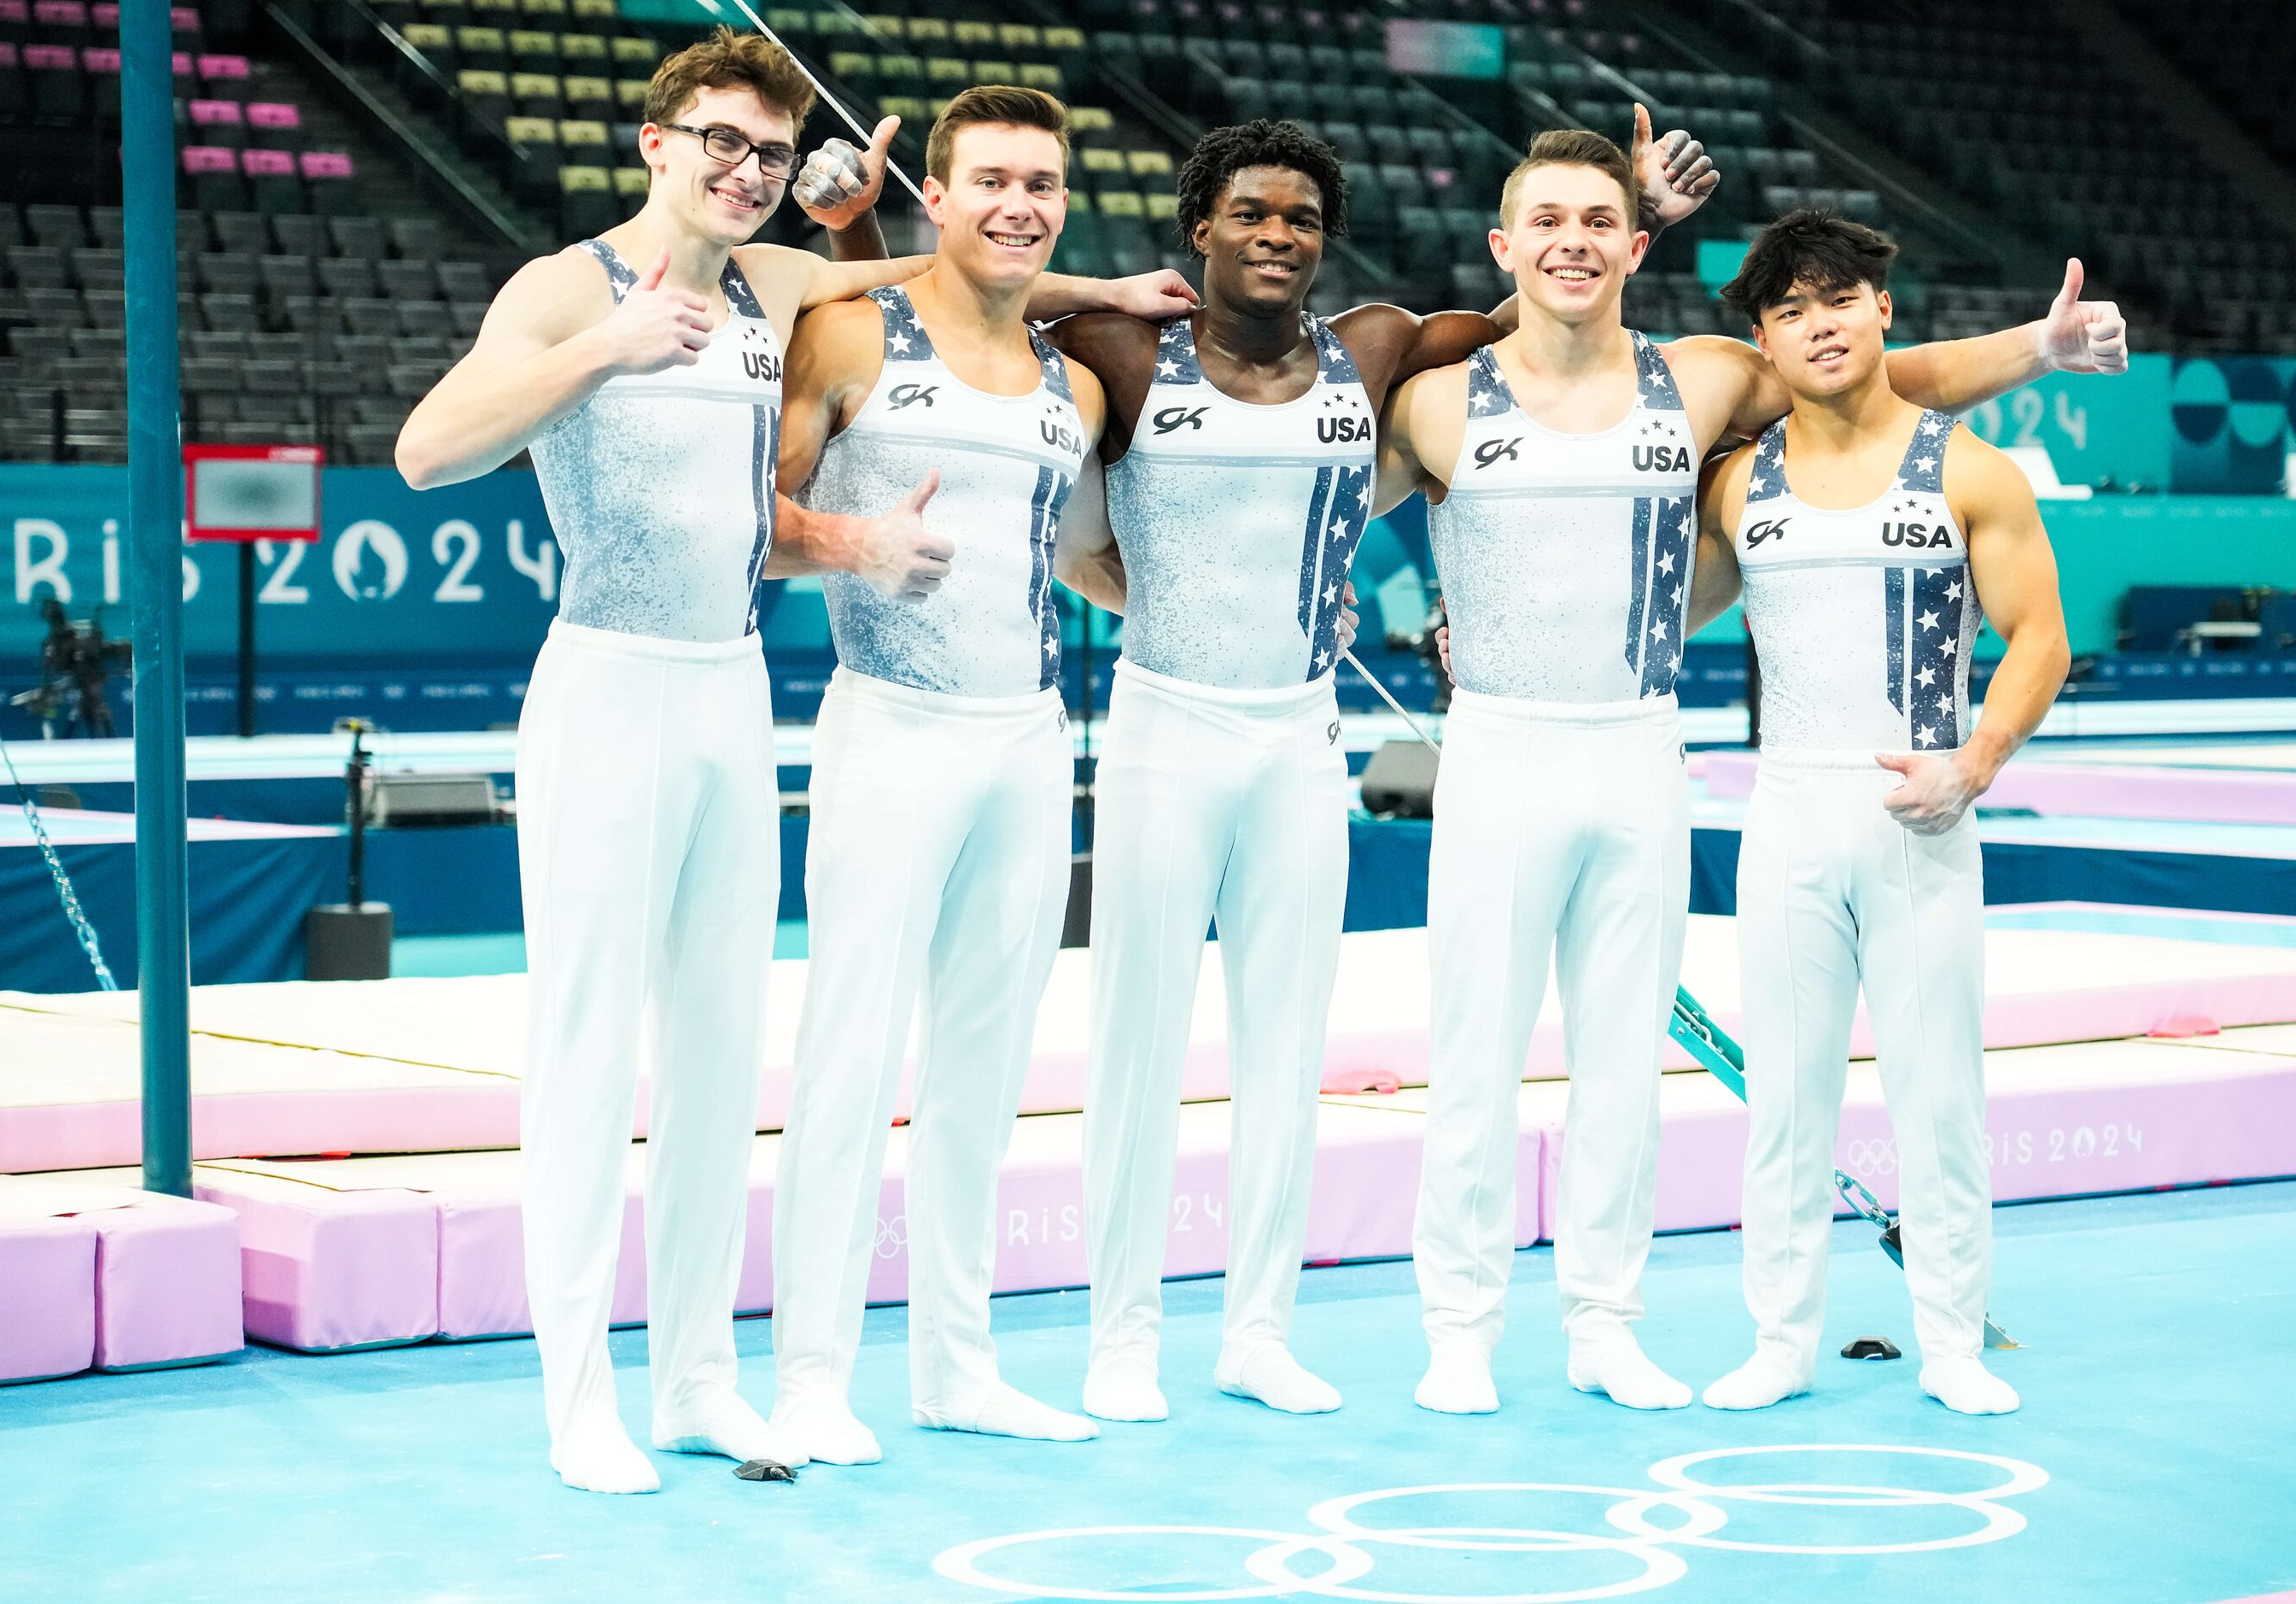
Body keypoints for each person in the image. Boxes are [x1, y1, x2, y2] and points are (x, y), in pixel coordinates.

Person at [394, 32, 1182, 1493]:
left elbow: (951, 273)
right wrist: (600, 351)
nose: (744, 170)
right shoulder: (569, 287)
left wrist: (1116, 293)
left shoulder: (773, 283)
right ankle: (581, 1397)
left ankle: (695, 1379)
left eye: (765, 150)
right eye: (720, 143)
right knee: (585, 1054)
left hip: (728, 699)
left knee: (709, 1055)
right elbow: (425, 452)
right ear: (654, 141)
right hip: (609, 685)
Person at [1375, 131, 2126, 1417]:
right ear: (1504, 248)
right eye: (1543, 221)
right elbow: (1299, 493)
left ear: (1633, 243)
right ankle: (1460, 1327)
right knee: (1474, 1055)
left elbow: (1885, 379)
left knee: (1625, 1062)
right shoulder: (1440, 397)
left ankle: (1606, 1322)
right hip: (1505, 745)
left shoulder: (1708, 384)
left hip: (1644, 748)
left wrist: (2036, 347)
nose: (1571, 241)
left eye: (1595, 221)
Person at [1044, 112, 1716, 1425]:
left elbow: (1543, 314)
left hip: (1300, 739)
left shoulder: (1377, 350)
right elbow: (1057, 493)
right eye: (1249, 213)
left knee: (1283, 1049)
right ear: (1199, 229)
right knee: (1136, 1045)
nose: (1276, 234)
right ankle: (1120, 1338)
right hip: (1164, 729)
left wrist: (1628, 212)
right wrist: (1164, 600)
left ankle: (1256, 1329)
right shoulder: (1122, 349)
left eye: (1299, 217)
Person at [764, 84, 1166, 1465]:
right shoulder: (844, 331)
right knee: (849, 1056)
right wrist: (845, 543)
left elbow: (1089, 561)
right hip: (889, 720)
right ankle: (811, 1372)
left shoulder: (1078, 378)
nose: (1016, 205)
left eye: (1040, 184)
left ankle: (956, 1362)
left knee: (985, 1069)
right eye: (989, 180)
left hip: (1024, 735)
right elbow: (744, 520)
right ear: (932, 195)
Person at [1687, 211, 2077, 1417]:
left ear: (1881, 312)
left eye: (1837, 298)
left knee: (1935, 1092)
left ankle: (1950, 1342)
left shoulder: (1968, 468)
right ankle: (1777, 1339)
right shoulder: (1736, 482)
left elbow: (2040, 640)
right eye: (1791, 308)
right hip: (1788, 808)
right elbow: (1642, 616)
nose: (1819, 322)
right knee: (1786, 1100)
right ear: (1762, 338)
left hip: (1921, 810)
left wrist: (1975, 761)